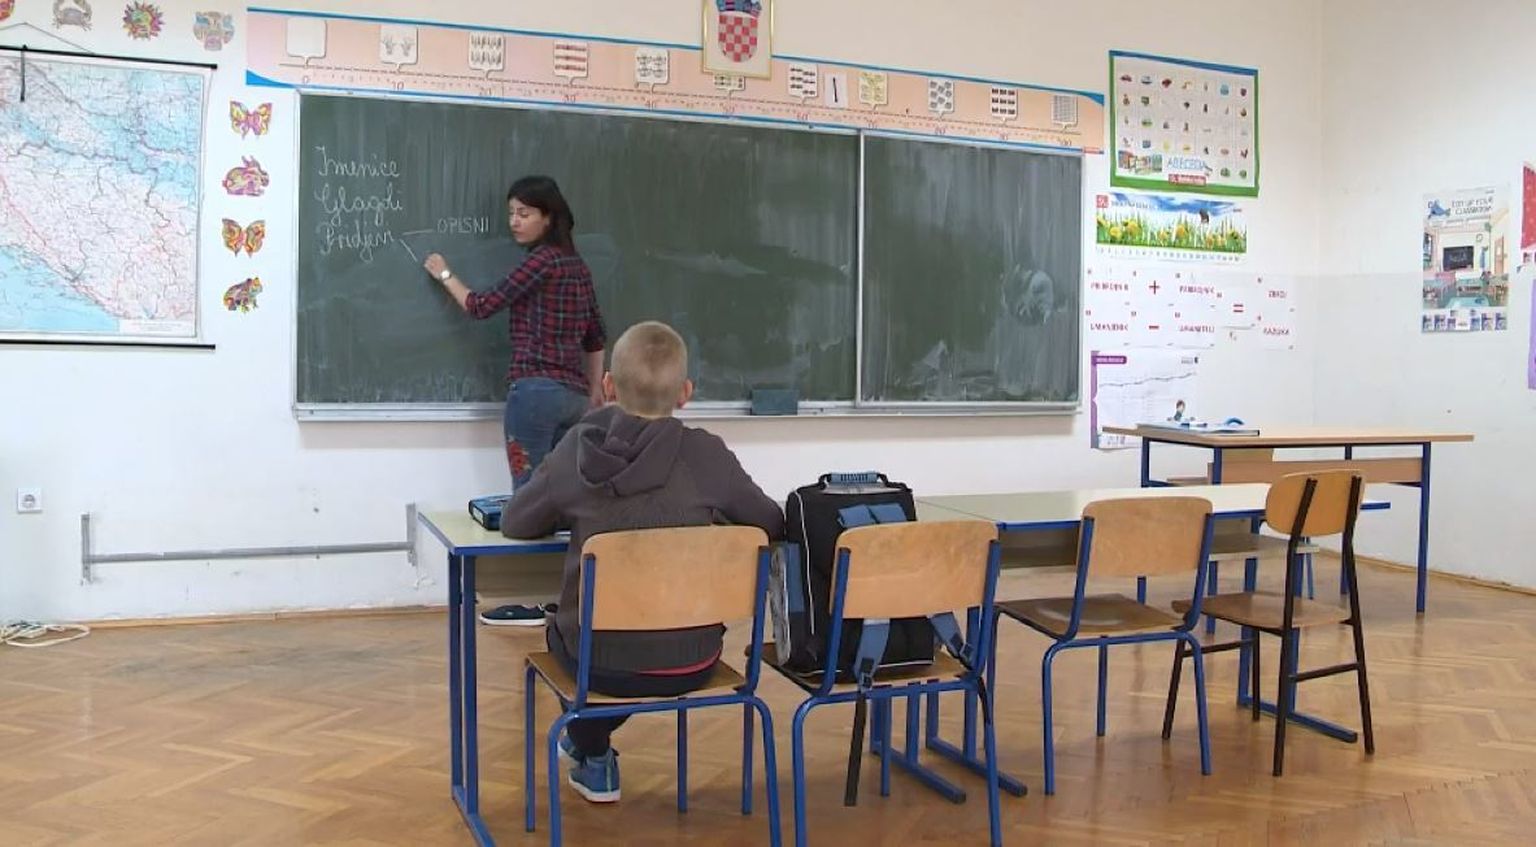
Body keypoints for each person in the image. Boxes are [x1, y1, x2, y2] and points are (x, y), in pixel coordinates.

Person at [500, 321, 786, 804]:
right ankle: (588, 744)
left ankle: (593, 751)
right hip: (695, 658)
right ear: (686, 393)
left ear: (609, 386)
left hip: (598, 666)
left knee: (575, 635)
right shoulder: (708, 455)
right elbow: (771, 523)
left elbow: (515, 522)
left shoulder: (578, 449)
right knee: (638, 645)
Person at [423, 175, 606, 627]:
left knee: (528, 503)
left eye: (524, 213)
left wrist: (443, 273)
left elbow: (481, 304)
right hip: (573, 399)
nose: (514, 222)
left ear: (548, 217)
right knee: (568, 500)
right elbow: (595, 336)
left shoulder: (541, 263)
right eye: (511, 213)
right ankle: (568, 602)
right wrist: (594, 393)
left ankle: (527, 602)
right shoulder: (578, 267)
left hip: (534, 397)